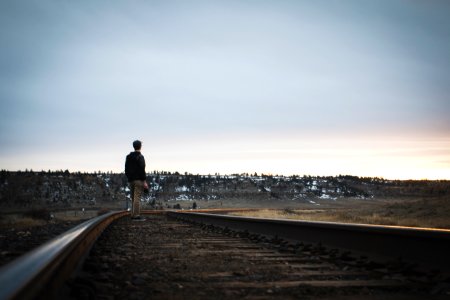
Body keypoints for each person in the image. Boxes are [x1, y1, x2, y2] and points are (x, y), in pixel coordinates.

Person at [125, 140, 148, 220]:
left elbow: (126, 170)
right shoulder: (141, 157)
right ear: (140, 146)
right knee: (137, 198)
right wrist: (144, 181)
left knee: (133, 198)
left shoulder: (128, 157)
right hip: (138, 180)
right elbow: (142, 169)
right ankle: (136, 215)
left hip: (131, 180)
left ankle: (132, 214)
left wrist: (129, 178)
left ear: (133, 146)